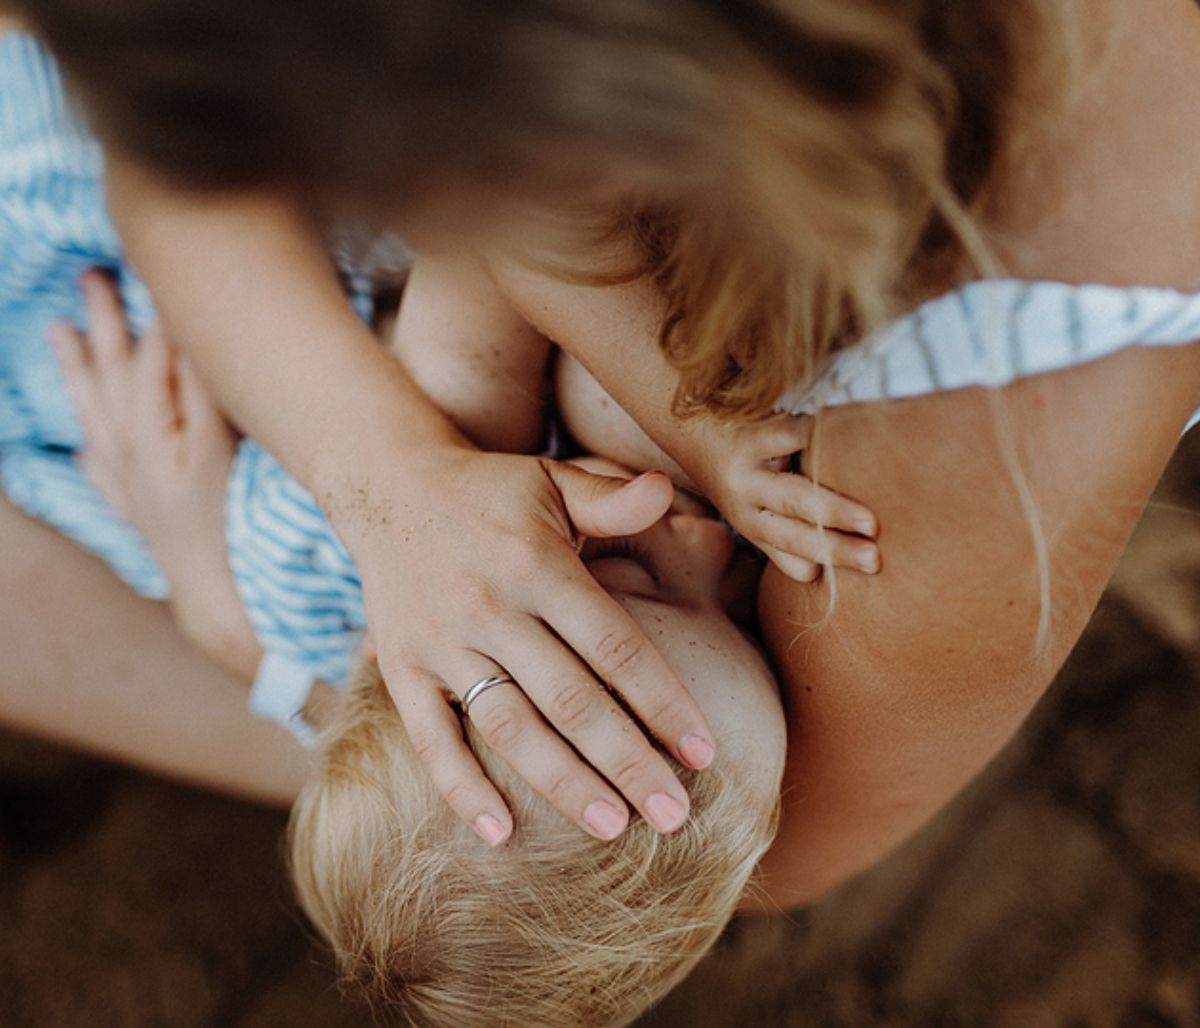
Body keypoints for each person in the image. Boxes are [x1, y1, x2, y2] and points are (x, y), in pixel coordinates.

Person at [12, 0, 1200, 912]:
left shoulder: (449, 466)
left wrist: (257, 627)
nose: (699, 536)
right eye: (746, 591)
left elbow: (769, 856)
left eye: (635, 581)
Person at [0, 12, 875, 847]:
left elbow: (499, 234)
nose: (718, 549)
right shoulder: (343, 673)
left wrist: (695, 434)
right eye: (739, 613)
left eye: (632, 569)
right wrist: (211, 602)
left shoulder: (466, 463)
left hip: (70, 281)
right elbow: (321, 714)